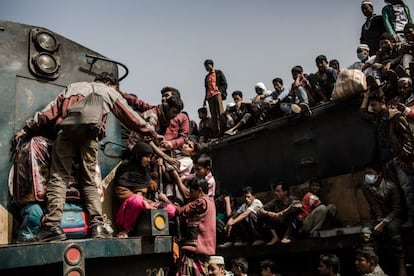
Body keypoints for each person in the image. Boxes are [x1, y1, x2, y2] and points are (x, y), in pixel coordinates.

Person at [13, 72, 160, 241]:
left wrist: (26, 129)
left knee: (59, 178)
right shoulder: (108, 91)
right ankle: (97, 225)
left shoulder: (72, 88)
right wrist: (152, 132)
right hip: (90, 138)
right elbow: (130, 116)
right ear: (109, 83)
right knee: (89, 181)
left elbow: (48, 111)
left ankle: (52, 226)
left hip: (65, 135)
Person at [360, 90, 414, 228]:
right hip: (386, 162)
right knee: (396, 192)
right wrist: (366, 97)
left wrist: (404, 156)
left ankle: (412, 219)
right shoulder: (377, 118)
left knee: (406, 189)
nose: (371, 108)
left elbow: (407, 137)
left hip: (397, 160)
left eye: (374, 105)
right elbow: (362, 113)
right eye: (371, 105)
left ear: (382, 103)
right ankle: (401, 218)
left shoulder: (394, 116)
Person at [113, 142, 176, 238]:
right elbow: (121, 192)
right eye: (146, 157)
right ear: (138, 155)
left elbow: (153, 187)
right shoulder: (124, 169)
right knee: (137, 200)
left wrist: (155, 168)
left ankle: (149, 228)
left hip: (145, 205)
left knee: (170, 209)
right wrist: (143, 202)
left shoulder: (144, 172)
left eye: (150, 157)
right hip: (128, 210)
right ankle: (126, 230)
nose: (148, 160)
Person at [161, 177, 216, 276]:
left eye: (192, 191)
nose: (190, 194)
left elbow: (180, 211)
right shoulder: (211, 202)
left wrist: (166, 200)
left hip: (196, 250)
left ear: (199, 190)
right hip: (204, 251)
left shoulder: (201, 202)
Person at [360, 164, 407, 276]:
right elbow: (374, 205)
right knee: (365, 232)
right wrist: (380, 220)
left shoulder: (391, 186)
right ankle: (373, 266)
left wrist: (384, 223)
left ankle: (402, 264)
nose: (367, 176)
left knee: (392, 229)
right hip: (378, 217)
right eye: (366, 173)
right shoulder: (365, 185)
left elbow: (397, 209)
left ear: (379, 174)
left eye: (370, 173)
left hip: (394, 216)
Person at [204, 59, 227, 137]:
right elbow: (206, 89)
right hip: (210, 96)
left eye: (207, 65)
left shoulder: (218, 73)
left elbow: (225, 83)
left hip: (217, 94)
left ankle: (223, 130)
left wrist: (220, 91)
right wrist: (205, 99)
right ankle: (216, 132)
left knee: (221, 113)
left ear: (211, 65)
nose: (206, 67)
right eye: (205, 66)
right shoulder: (206, 77)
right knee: (213, 115)